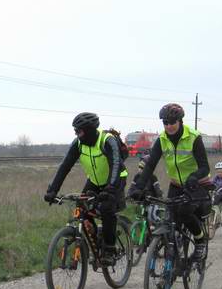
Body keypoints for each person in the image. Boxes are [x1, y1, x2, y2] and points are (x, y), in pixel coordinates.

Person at [128, 103, 211, 260]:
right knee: (170, 219)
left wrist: (194, 177)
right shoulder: (162, 139)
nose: (169, 126)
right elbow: (150, 164)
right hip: (176, 184)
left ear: (180, 121)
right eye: (165, 122)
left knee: (185, 213)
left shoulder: (193, 137)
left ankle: (200, 241)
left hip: (197, 183)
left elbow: (205, 167)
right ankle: (173, 257)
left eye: (172, 122)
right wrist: (138, 188)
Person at [44, 112, 129, 264]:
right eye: (75, 131)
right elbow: (64, 167)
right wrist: (52, 191)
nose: (77, 134)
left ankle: (109, 248)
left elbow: (116, 164)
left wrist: (110, 189)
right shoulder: (78, 144)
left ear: (89, 129)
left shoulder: (107, 140)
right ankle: (96, 244)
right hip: (95, 181)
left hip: (115, 180)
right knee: (82, 207)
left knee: (106, 208)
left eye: (79, 131)